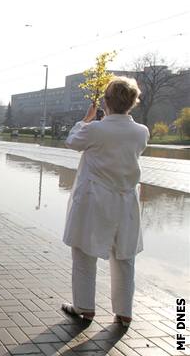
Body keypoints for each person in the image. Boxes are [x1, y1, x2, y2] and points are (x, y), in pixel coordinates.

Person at [61, 76, 149, 327]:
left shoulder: (95, 129)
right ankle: (124, 312)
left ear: (105, 101)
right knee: (124, 256)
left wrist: (87, 117)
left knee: (84, 252)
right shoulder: (141, 132)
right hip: (126, 202)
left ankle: (84, 308)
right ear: (132, 103)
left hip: (94, 201)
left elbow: (72, 141)